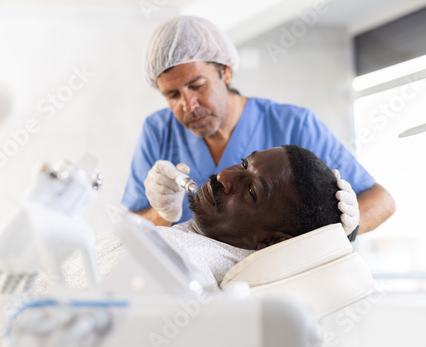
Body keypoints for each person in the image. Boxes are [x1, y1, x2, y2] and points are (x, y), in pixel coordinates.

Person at [121, 15, 395, 236]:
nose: (188, 104)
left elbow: (382, 201)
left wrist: (341, 231)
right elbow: (128, 229)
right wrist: (162, 213)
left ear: (225, 71)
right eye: (172, 95)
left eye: (197, 85)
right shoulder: (158, 131)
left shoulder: (294, 125)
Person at [157, 145, 342, 287]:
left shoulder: (179, 259)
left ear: (274, 242)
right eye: (244, 164)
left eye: (251, 191)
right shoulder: (197, 244)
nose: (224, 176)